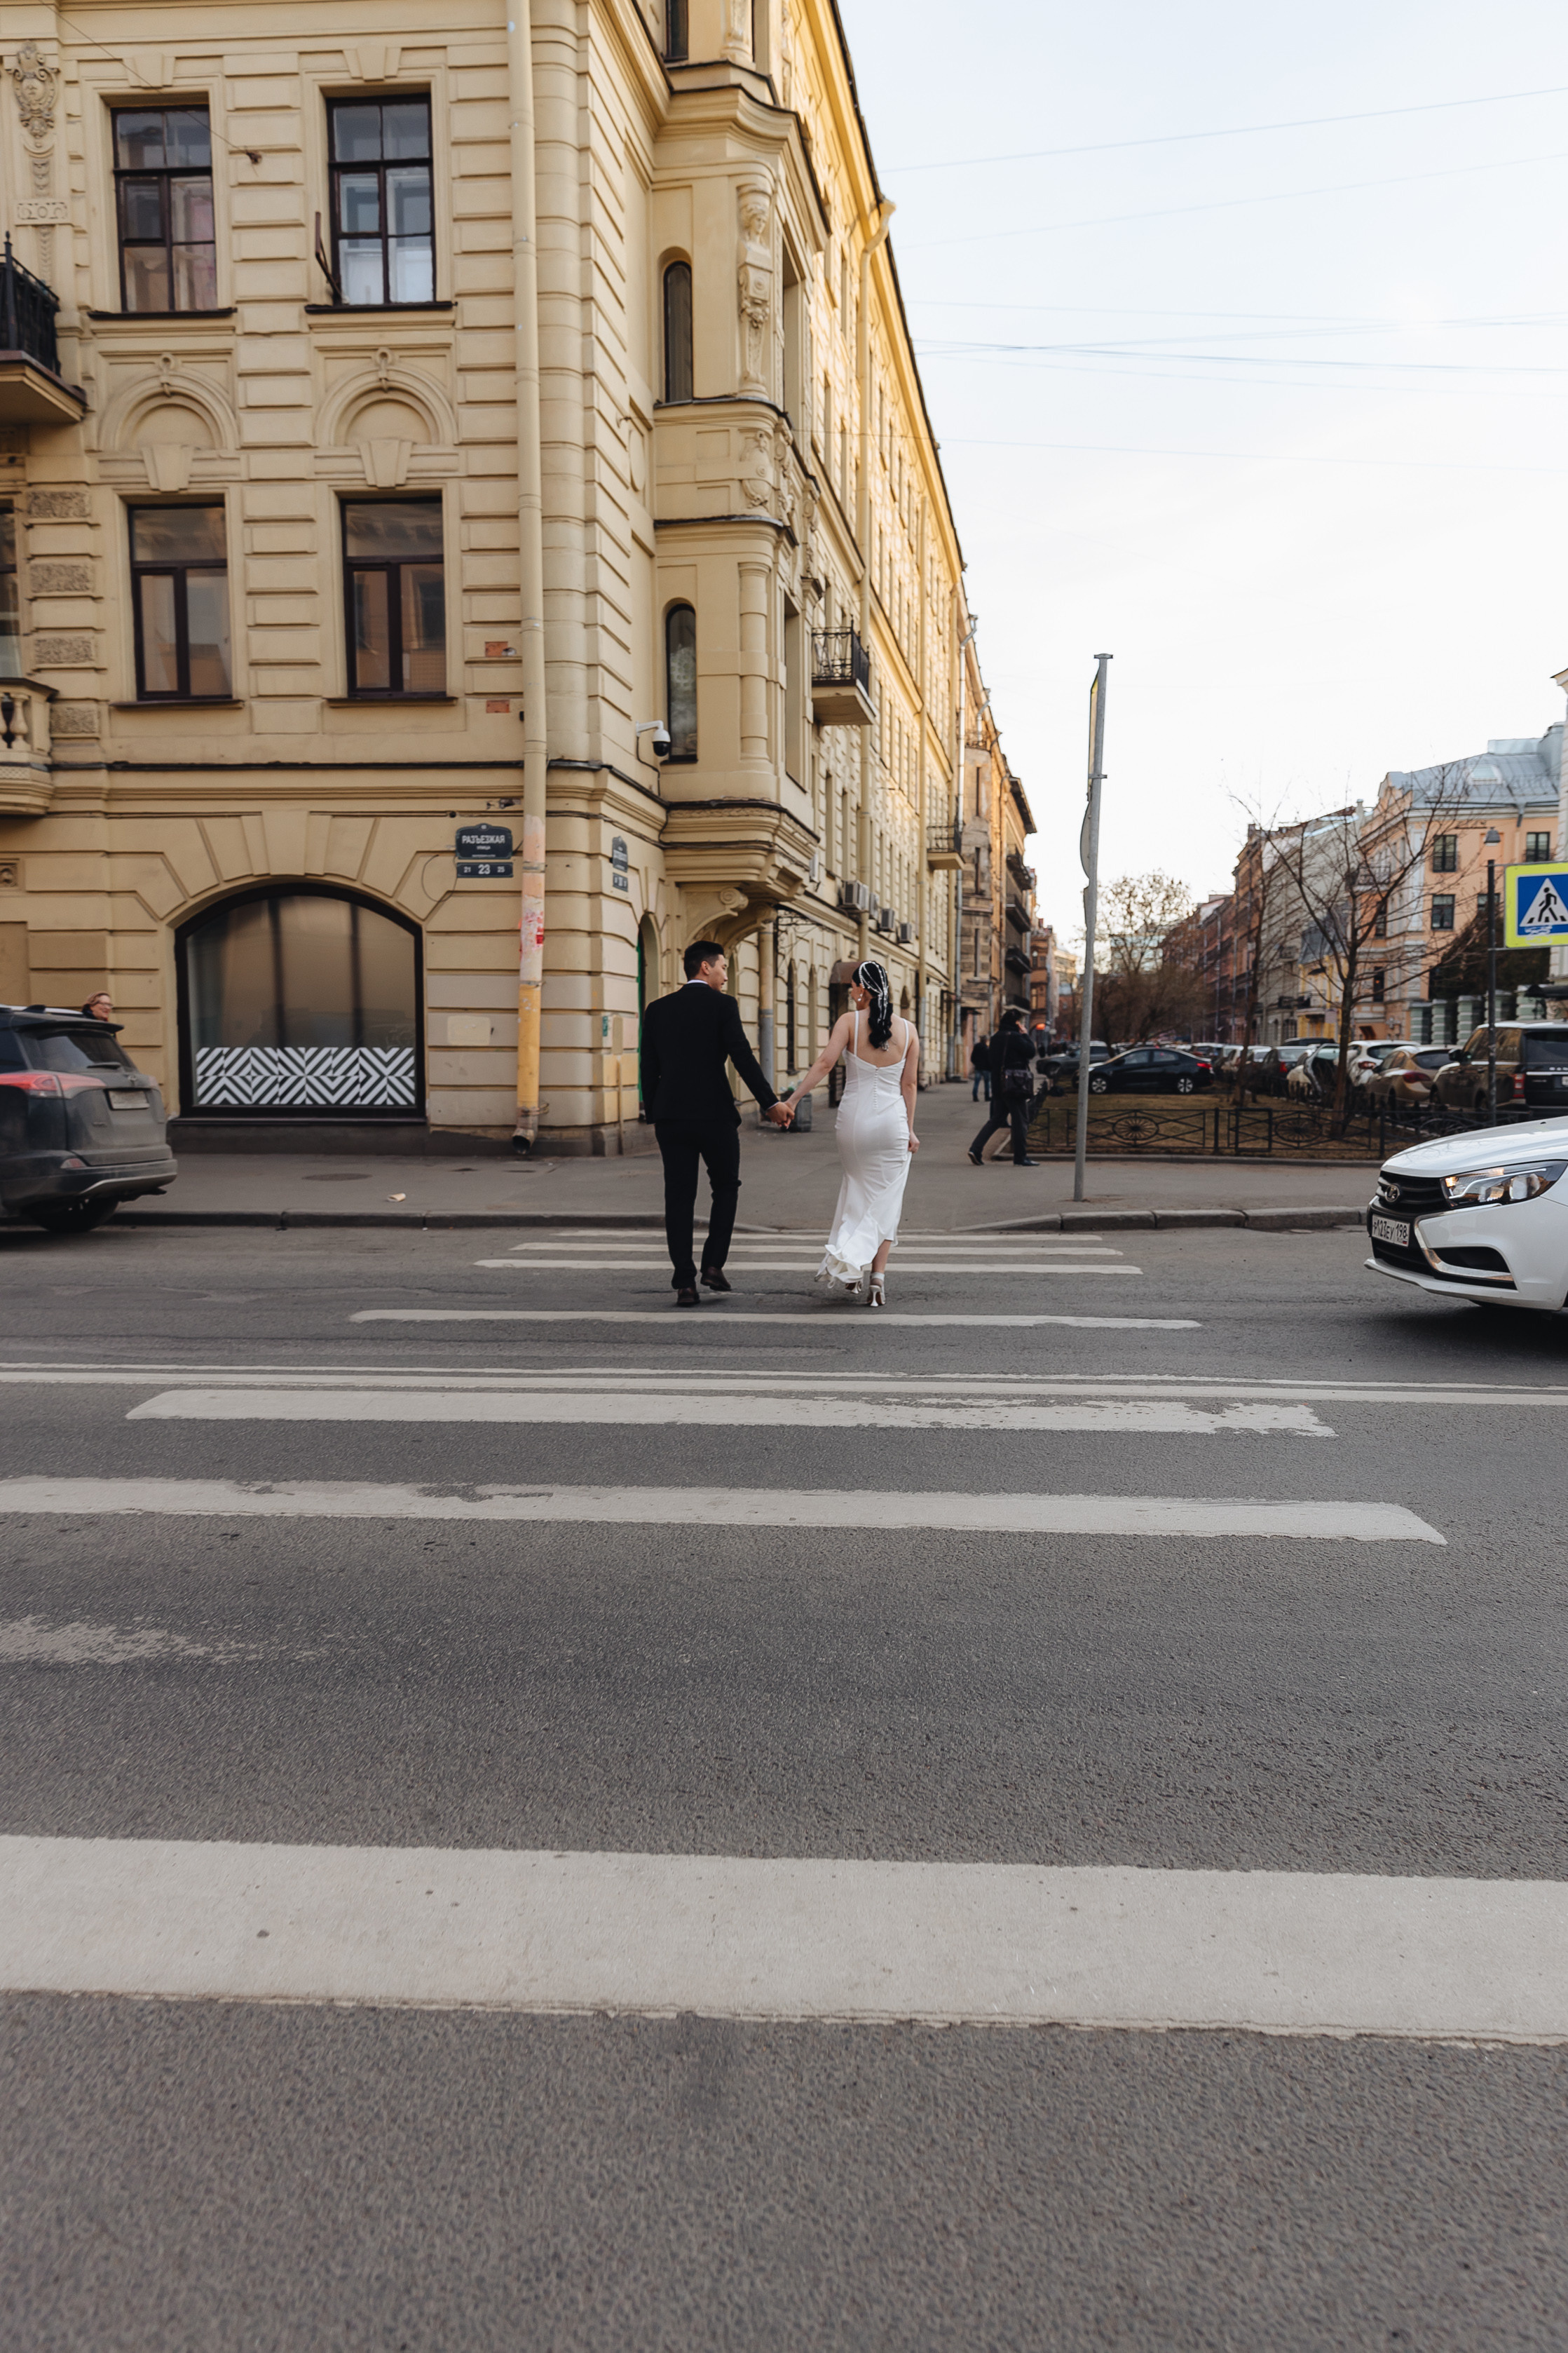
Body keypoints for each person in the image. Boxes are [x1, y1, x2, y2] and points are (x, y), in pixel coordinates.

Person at [640, 939, 791, 1306]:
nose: (726, 976)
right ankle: (712, 1266)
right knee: (725, 1187)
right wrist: (770, 1103)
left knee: (678, 1197)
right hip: (715, 1116)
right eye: (723, 967)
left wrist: (655, 1111)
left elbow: (648, 1065)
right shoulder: (723, 1006)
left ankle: (684, 1283)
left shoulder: (657, 1009)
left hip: (671, 1118)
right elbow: (741, 1057)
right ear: (705, 967)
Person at [778, 960, 918, 1309]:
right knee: (887, 1201)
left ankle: (850, 1270)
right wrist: (911, 1130)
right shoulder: (909, 1030)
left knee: (856, 1190)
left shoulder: (849, 1022)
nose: (851, 992)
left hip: (854, 1123)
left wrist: (792, 1099)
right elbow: (910, 1084)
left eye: (853, 987)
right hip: (893, 1125)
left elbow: (825, 1063)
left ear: (864, 989)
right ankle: (877, 1279)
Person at [967, 1008, 1039, 1167]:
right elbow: (1031, 1052)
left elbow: (991, 1060)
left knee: (996, 1119)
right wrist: (1025, 1034)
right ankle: (1021, 1158)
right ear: (1016, 1023)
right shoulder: (1016, 1037)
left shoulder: (996, 1038)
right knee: (1021, 1121)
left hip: (999, 1084)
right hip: (1015, 1085)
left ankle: (976, 1149)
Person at [969, 1030, 991, 1101]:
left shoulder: (977, 1047)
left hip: (978, 1068)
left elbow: (972, 1057)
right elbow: (989, 1058)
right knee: (987, 1083)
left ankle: (975, 1096)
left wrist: (976, 1064)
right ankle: (987, 1097)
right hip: (986, 1068)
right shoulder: (987, 1048)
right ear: (985, 1040)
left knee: (976, 1082)